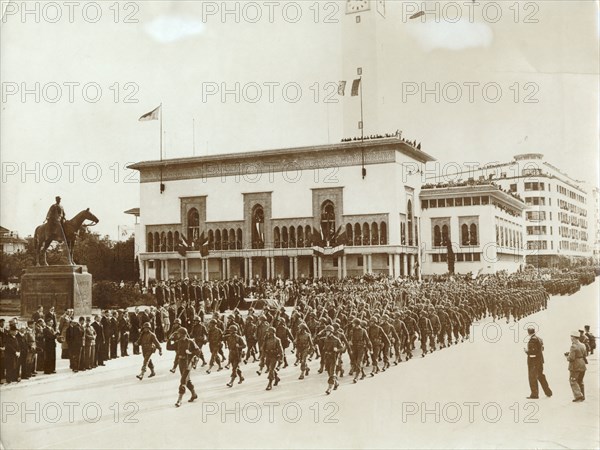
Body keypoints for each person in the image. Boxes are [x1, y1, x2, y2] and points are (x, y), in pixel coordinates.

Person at [173, 327, 200, 407]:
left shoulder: (190, 342)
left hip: (188, 362)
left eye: (178, 333)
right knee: (187, 380)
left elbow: (198, 351)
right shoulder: (179, 342)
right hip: (181, 362)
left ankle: (179, 400)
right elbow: (169, 347)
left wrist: (190, 352)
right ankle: (194, 394)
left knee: (183, 380)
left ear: (182, 334)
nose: (177, 334)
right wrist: (169, 339)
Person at [524, 327, 552, 399]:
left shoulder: (532, 340)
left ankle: (534, 394)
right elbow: (542, 348)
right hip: (540, 360)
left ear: (528, 332)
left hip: (534, 362)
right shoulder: (539, 338)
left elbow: (533, 352)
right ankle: (548, 392)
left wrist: (527, 351)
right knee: (541, 376)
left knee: (532, 377)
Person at [565, 330, 587, 402]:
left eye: (571, 336)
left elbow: (571, 358)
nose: (571, 338)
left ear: (573, 337)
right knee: (580, 381)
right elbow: (585, 355)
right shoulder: (583, 345)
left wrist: (567, 356)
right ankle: (582, 395)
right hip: (582, 364)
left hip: (575, 366)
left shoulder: (573, 346)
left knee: (573, 381)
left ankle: (578, 396)